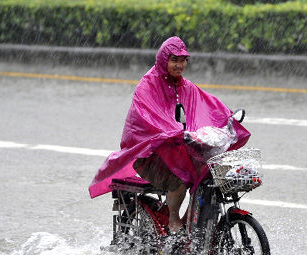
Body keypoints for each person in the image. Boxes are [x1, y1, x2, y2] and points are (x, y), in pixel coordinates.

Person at [88, 36, 250, 232]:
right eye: (174, 60)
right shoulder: (147, 86)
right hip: (149, 154)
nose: (179, 65)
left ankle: (192, 226)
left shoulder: (185, 86)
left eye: (183, 60)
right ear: (164, 60)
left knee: (208, 178)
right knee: (179, 180)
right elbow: (148, 117)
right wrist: (172, 132)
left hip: (178, 150)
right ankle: (174, 220)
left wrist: (227, 120)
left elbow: (208, 106)